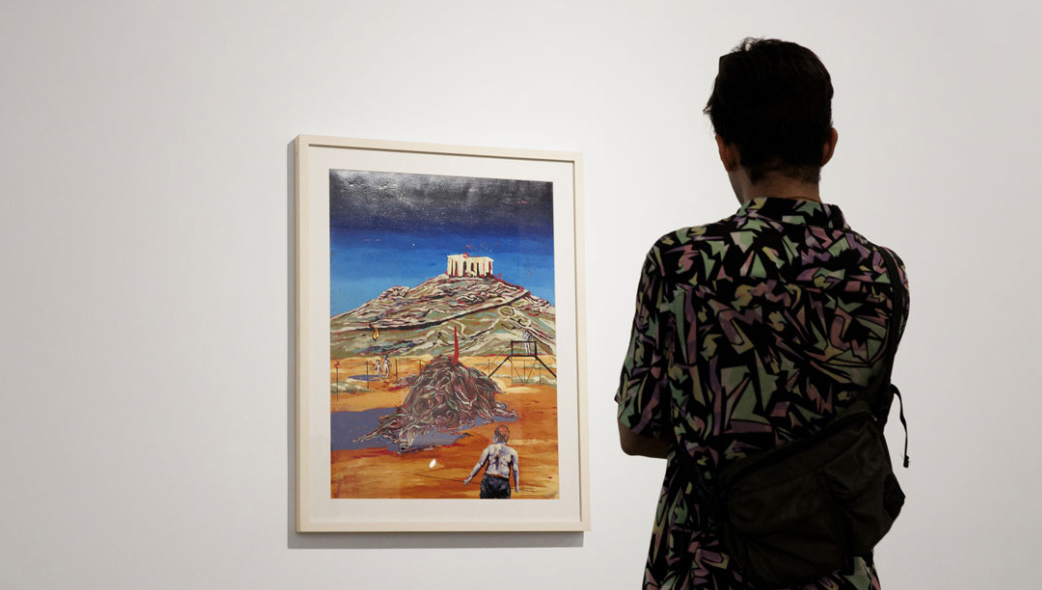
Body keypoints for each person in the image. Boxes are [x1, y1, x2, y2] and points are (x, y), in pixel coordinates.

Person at [615, 38, 909, 590]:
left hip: (709, 563)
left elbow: (638, 433)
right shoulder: (881, 272)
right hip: (832, 566)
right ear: (828, 144)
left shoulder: (682, 262)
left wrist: (725, 437)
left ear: (725, 148)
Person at [463, 425, 520, 499]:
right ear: (507, 437)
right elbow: (515, 470)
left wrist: (470, 477)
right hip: (502, 481)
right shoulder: (512, 452)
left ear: (496, 436)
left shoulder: (489, 448)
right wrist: (517, 485)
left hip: (489, 480)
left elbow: (480, 464)